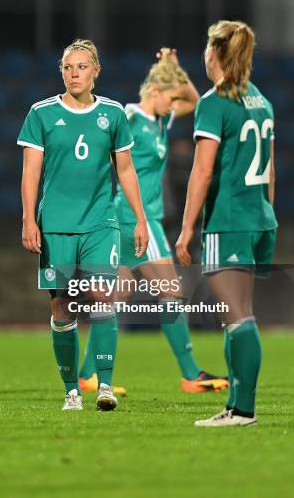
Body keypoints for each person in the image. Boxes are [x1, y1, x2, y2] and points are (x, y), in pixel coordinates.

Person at [79, 49, 229, 395]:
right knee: (172, 290)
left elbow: (195, 101)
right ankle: (190, 373)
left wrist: (175, 69)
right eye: (170, 96)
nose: (175, 104)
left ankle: (88, 374)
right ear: (155, 91)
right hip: (136, 218)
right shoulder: (130, 116)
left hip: (139, 219)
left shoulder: (160, 120)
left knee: (115, 295)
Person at [18, 39, 148, 411]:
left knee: (102, 296)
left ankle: (105, 386)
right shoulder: (41, 113)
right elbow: (31, 171)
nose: (74, 73)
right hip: (56, 224)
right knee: (63, 306)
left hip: (100, 222)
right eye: (68, 67)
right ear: (62, 71)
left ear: (96, 72)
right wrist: (29, 218)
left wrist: (139, 219)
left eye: (81, 67)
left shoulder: (113, 114)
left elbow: (125, 169)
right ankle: (71, 390)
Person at [176, 20, 277, 427]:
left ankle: (245, 409)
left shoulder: (214, 103)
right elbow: (271, 169)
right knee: (238, 314)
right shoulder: (261, 101)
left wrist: (185, 229)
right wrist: (268, 215)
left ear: (214, 54)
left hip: (229, 220)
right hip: (258, 218)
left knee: (237, 317)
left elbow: (201, 174)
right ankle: (235, 405)